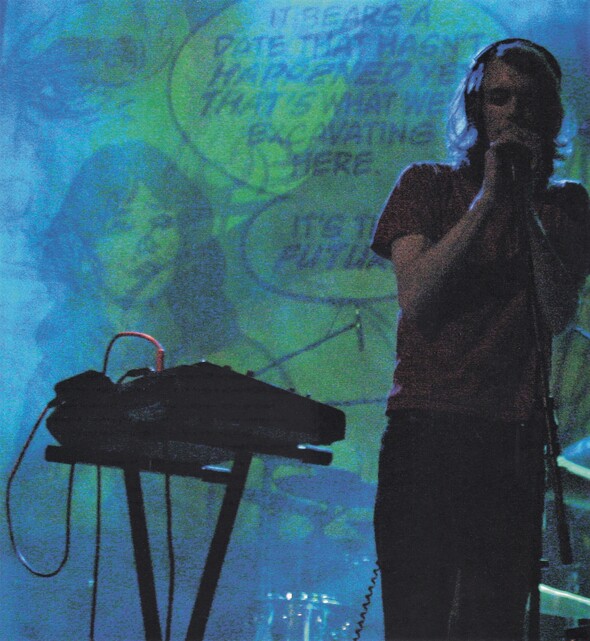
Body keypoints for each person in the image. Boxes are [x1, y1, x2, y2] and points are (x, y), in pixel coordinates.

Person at [370, 39, 590, 640]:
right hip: (425, 432)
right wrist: (490, 199)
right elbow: (418, 297)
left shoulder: (569, 205)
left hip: (512, 441)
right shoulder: (425, 185)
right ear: (475, 108)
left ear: (550, 114)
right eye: (499, 98)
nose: (514, 112)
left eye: (529, 100)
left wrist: (522, 207)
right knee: (416, 622)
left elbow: (558, 312)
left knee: (491, 625)